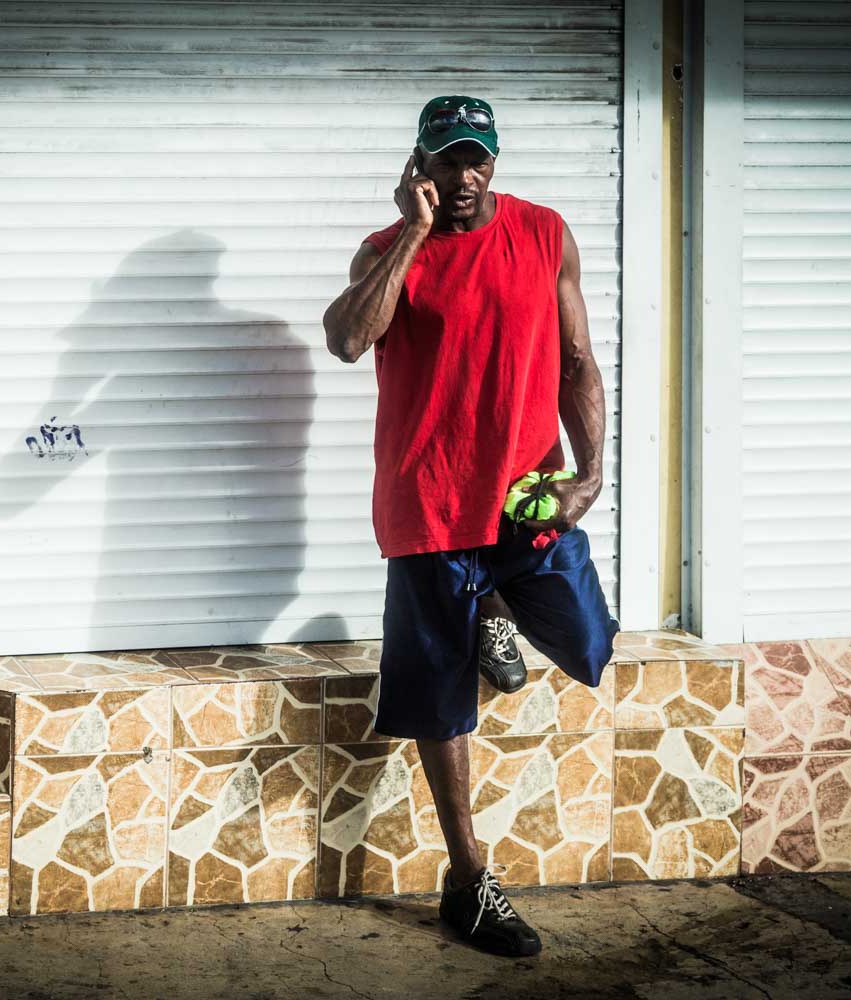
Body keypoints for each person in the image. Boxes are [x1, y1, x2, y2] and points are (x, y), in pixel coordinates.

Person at [321, 95, 620, 958]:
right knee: (442, 702)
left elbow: (576, 360)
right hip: (430, 505)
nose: (465, 176)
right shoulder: (387, 252)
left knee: (587, 641)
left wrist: (591, 476)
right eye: (448, 160)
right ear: (421, 165)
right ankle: (467, 879)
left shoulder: (544, 233)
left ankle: (491, 600)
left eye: (477, 158)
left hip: (526, 495)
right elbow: (347, 340)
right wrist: (410, 235)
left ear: (495, 160)